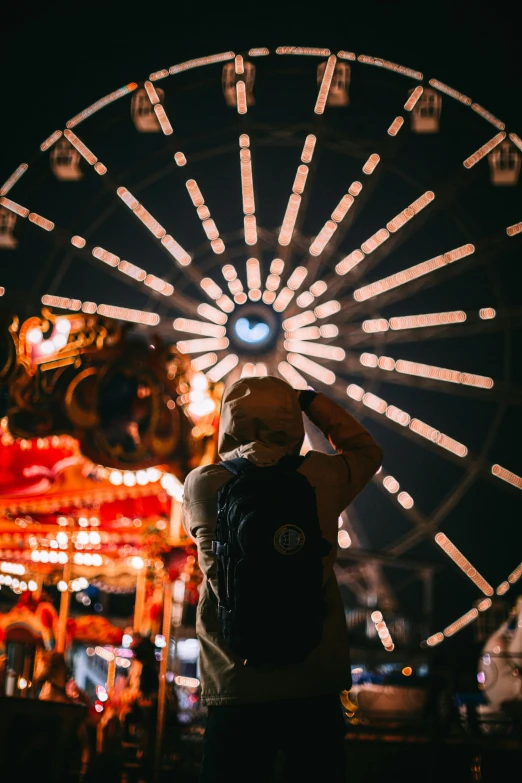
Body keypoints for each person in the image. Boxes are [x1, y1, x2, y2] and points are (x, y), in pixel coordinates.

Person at [182, 376, 383, 782]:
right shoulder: (323, 477)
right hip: (313, 681)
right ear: (291, 419)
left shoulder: (203, 484)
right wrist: (312, 403)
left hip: (234, 680)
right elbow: (367, 451)